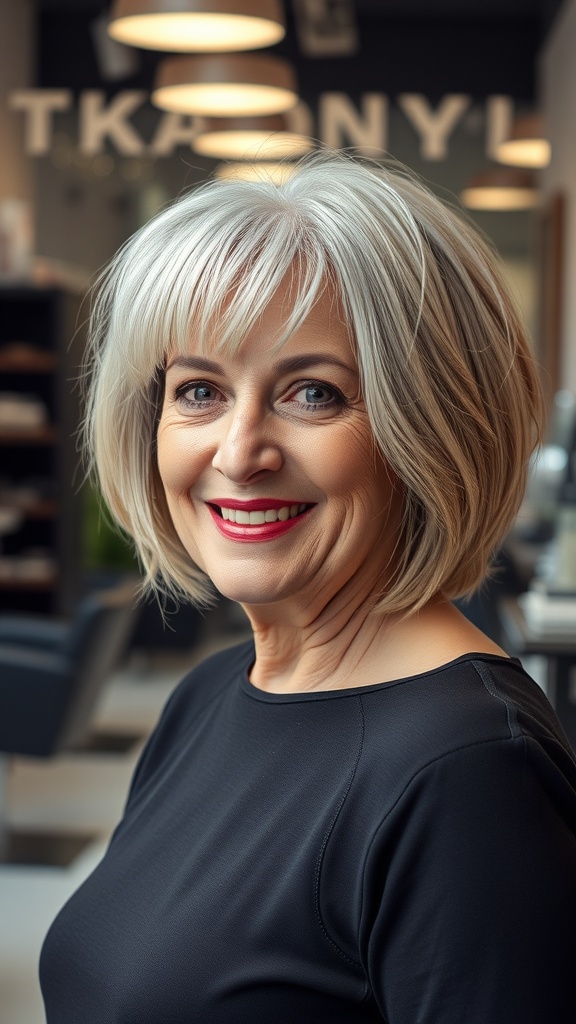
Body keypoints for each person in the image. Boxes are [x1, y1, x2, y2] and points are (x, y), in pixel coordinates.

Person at [40, 151, 576, 1023]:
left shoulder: (469, 773)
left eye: (314, 394)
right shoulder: (211, 693)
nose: (239, 452)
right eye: (200, 390)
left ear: (430, 425)